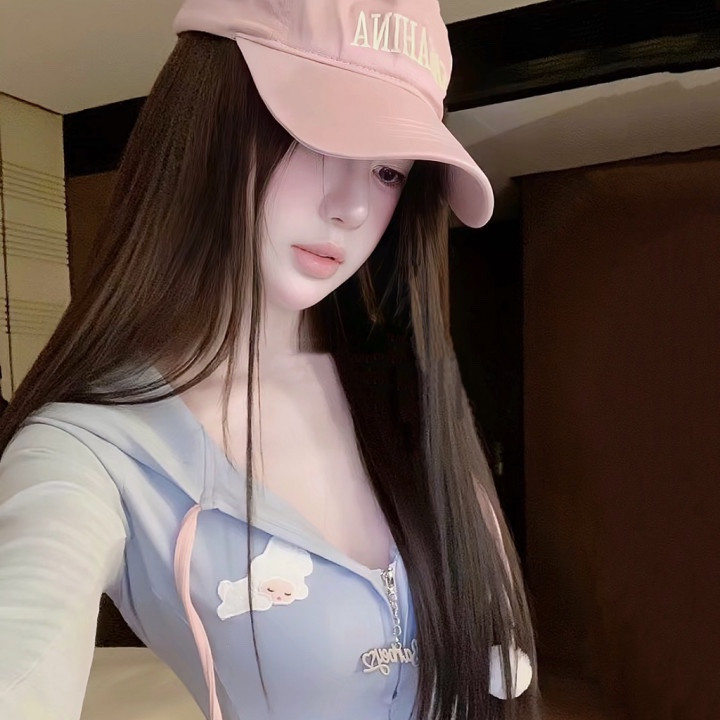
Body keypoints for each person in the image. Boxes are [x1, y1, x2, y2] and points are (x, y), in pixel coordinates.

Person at [0, 1, 538, 718]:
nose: (351, 208)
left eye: (387, 171)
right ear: (207, 120)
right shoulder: (91, 452)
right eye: (316, 137)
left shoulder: (407, 389)